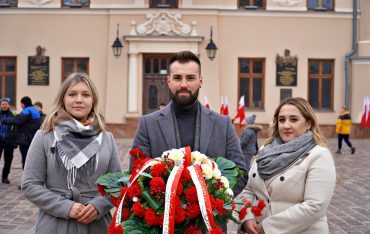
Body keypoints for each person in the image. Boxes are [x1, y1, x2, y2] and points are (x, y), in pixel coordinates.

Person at [132, 51, 248, 196]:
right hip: (162, 217)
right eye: (177, 78)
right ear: (168, 81)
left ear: (200, 81)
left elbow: (240, 173)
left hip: (212, 216)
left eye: (190, 78)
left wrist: (216, 203)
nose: (184, 84)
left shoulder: (222, 124)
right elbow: (136, 173)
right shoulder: (148, 124)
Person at [21, 73, 122, 234]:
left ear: (93, 100)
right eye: (72, 94)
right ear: (63, 99)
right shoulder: (45, 136)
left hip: (96, 224)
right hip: (55, 223)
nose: (79, 100)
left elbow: (118, 184)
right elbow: (30, 185)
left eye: (86, 95)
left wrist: (98, 206)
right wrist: (66, 207)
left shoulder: (107, 138)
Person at [236, 97, 336, 234]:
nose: (286, 125)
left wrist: (267, 228)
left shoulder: (319, 155)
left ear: (308, 123)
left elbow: (315, 206)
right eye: (281, 120)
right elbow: (249, 190)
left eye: (294, 119)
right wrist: (246, 218)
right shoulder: (265, 151)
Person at [1, 96, 42, 170]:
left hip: (26, 139)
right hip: (32, 138)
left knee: (26, 158)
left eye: (21, 104)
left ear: (23, 104)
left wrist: (4, 120)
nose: (20, 105)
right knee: (30, 158)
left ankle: (27, 176)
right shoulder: (34, 110)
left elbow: (18, 121)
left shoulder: (27, 111)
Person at [0, 98, 17, 184]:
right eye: (2, 104)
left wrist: (14, 140)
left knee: (8, 160)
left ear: (9, 105)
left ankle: (5, 177)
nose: (4, 106)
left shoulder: (13, 114)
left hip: (9, 141)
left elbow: (16, 127)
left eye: (5, 104)